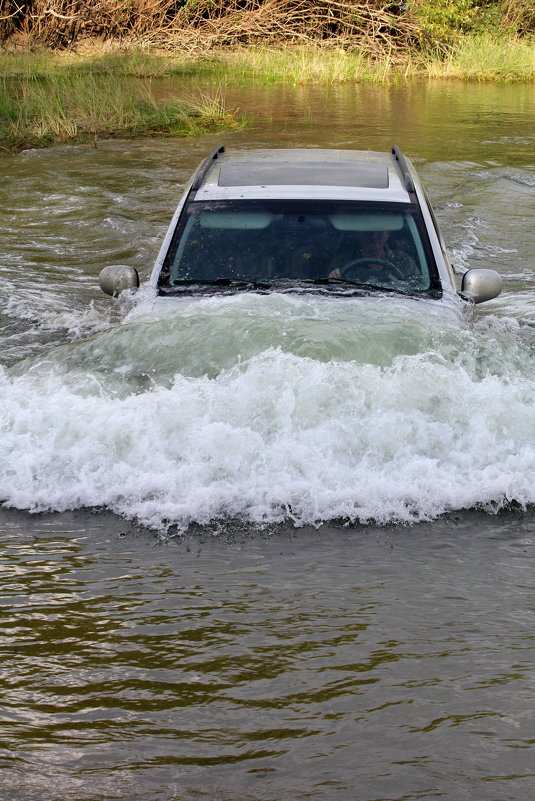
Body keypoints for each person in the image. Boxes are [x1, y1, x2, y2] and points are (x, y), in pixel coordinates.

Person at [328, 229, 420, 283]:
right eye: (368, 231)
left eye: (380, 231)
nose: (374, 236)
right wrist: (334, 277)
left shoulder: (403, 261)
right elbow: (328, 289)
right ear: (359, 234)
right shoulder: (342, 261)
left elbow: (418, 287)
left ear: (387, 234)